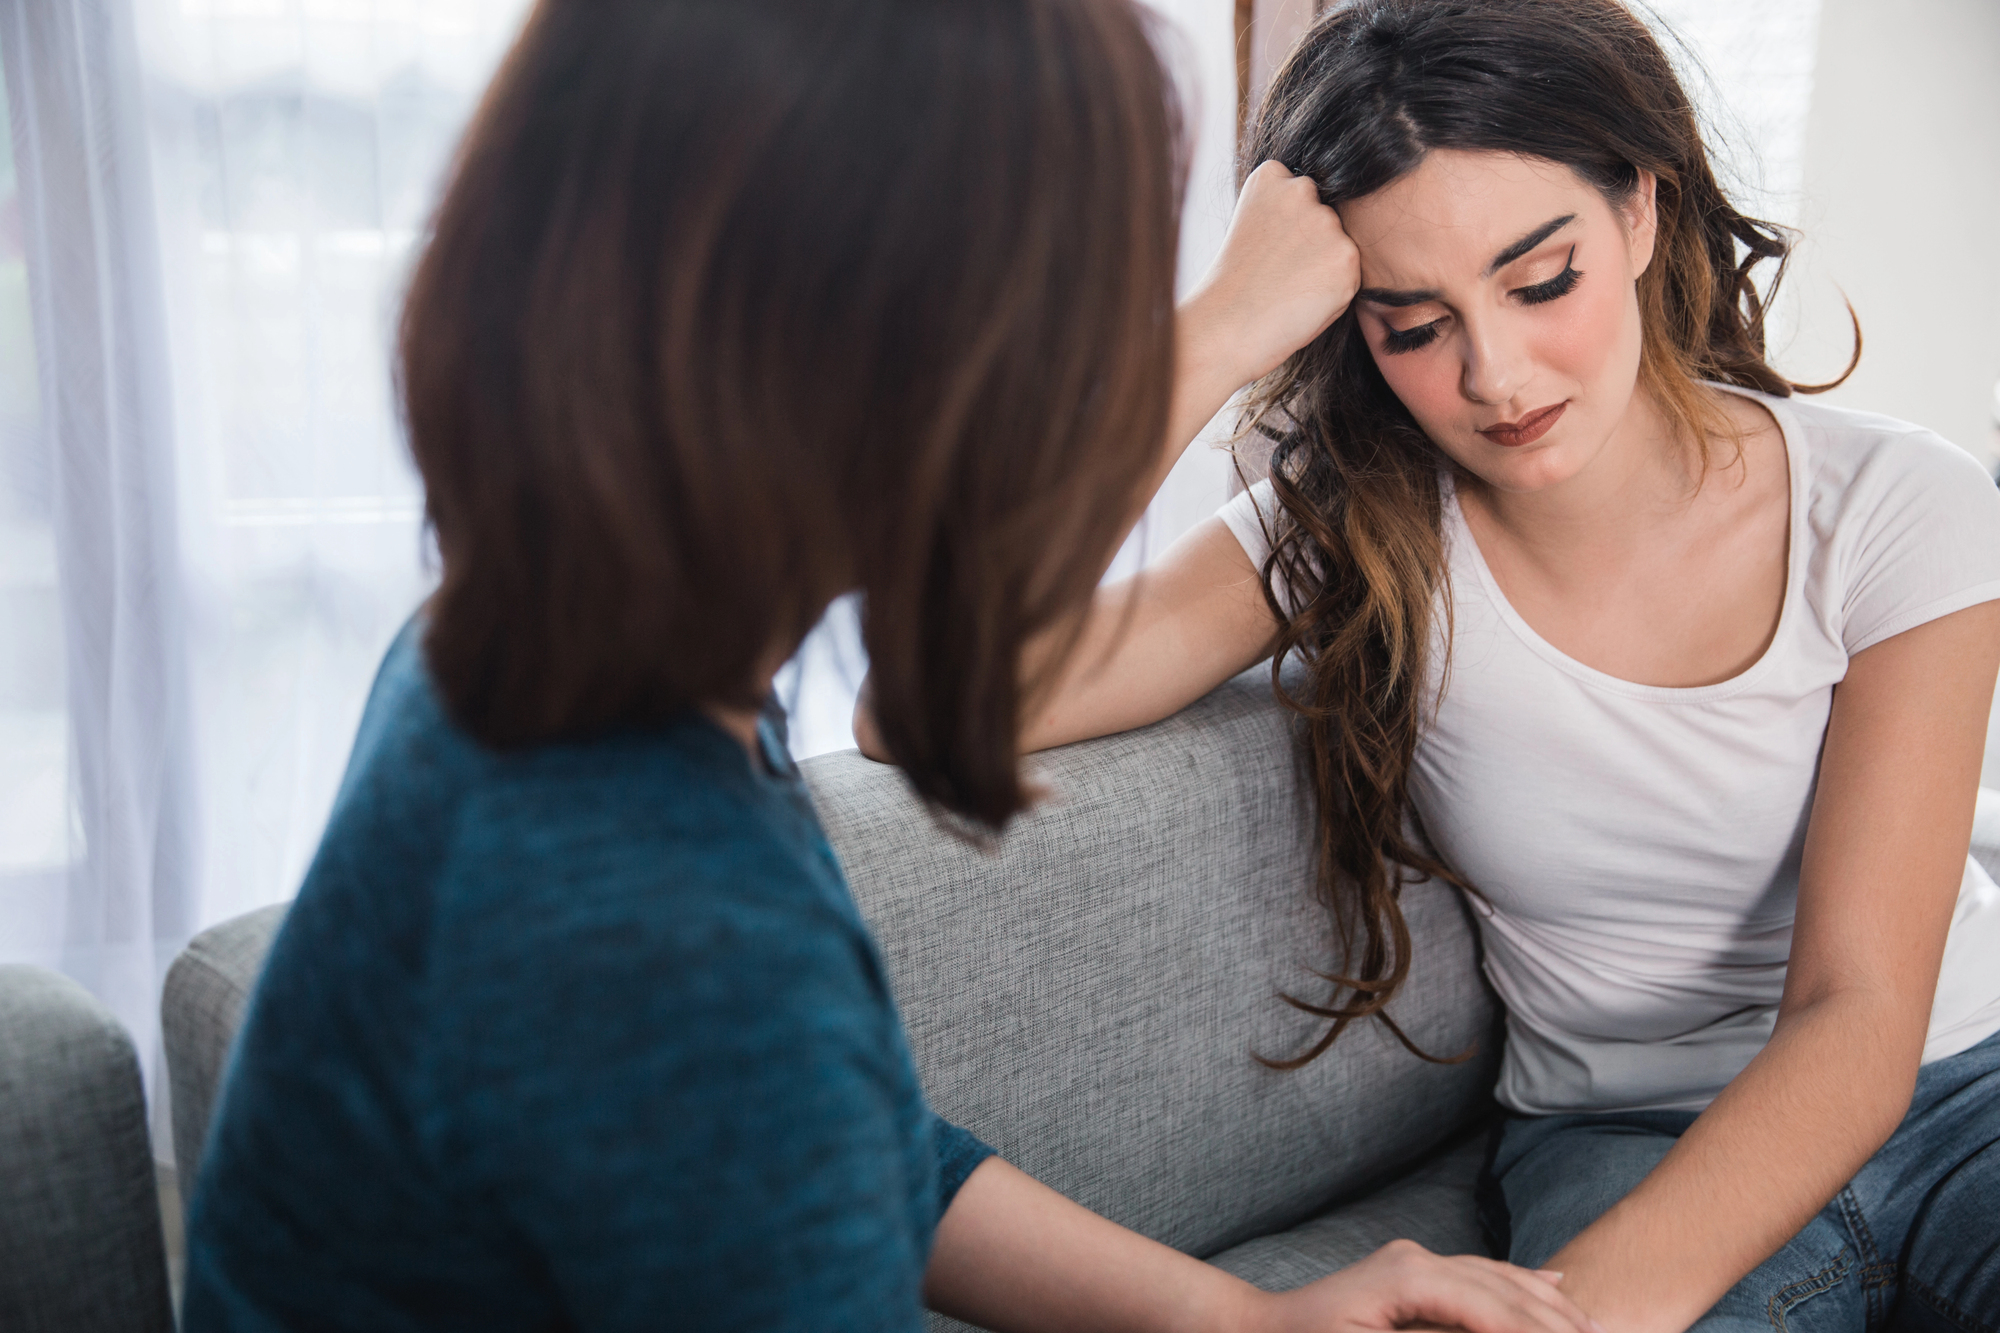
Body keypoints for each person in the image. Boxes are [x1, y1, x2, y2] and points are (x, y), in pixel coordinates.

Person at [177, 2, 1597, 1331]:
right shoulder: (654, 921)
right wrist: (1220, 334)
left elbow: (856, 1148)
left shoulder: (510, 662)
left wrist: (1248, 1316)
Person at [885, 0, 2000, 1327]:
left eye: (1540, 281)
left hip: (1955, 1093)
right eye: (1412, 323)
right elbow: (937, 701)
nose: (1496, 373)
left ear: (1640, 211)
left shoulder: (1895, 507)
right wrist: (1220, 328)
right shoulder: (1356, 529)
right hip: (1619, 1130)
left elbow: (1857, 1013)